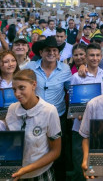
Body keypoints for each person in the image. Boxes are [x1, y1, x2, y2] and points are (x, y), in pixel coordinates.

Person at [24, 36, 71, 180]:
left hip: (58, 117)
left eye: (54, 50)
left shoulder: (65, 69)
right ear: (41, 52)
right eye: (47, 50)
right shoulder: (30, 67)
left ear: (58, 53)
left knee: (59, 153)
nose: (51, 53)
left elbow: (70, 91)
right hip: (36, 116)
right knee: (39, 150)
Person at [6, 69, 61, 180]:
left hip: (39, 173)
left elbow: (55, 151)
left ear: (33, 85)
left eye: (22, 88)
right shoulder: (12, 109)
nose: (17, 94)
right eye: (14, 89)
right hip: (16, 172)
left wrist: (26, 169)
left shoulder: (49, 111)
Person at [70, 43, 103, 181]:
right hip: (80, 127)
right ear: (86, 57)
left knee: (97, 167)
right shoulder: (77, 77)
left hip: (99, 128)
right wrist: (76, 114)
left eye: (97, 55)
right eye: (91, 55)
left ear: (101, 57)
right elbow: (72, 103)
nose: (94, 58)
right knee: (80, 167)